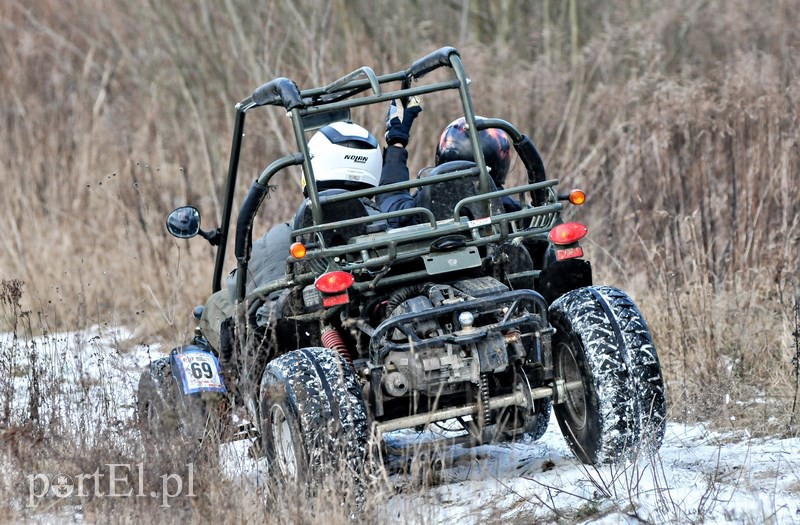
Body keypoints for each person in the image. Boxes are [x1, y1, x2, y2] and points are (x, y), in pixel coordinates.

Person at [199, 121, 384, 356]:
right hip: (373, 341)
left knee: (218, 302)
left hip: (305, 354)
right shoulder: (395, 223)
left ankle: (229, 389)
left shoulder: (283, 238)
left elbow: (240, 291)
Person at [376, 100, 521, 227]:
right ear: (501, 161)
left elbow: (391, 202)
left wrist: (396, 142)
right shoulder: (514, 212)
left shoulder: (420, 209)